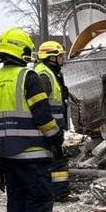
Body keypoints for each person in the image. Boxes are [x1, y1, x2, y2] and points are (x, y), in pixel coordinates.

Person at [0, 28, 63, 212]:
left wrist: (5, 139)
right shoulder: (28, 77)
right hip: (33, 152)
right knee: (39, 198)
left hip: (7, 155)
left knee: (16, 200)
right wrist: (56, 139)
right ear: (21, 50)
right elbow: (42, 116)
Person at [34, 40, 73, 201]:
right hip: (49, 128)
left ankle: (54, 193)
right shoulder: (44, 75)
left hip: (52, 127)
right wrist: (51, 130)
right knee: (57, 162)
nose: (62, 59)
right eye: (60, 56)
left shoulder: (50, 73)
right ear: (51, 58)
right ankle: (59, 194)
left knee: (55, 160)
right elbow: (40, 105)